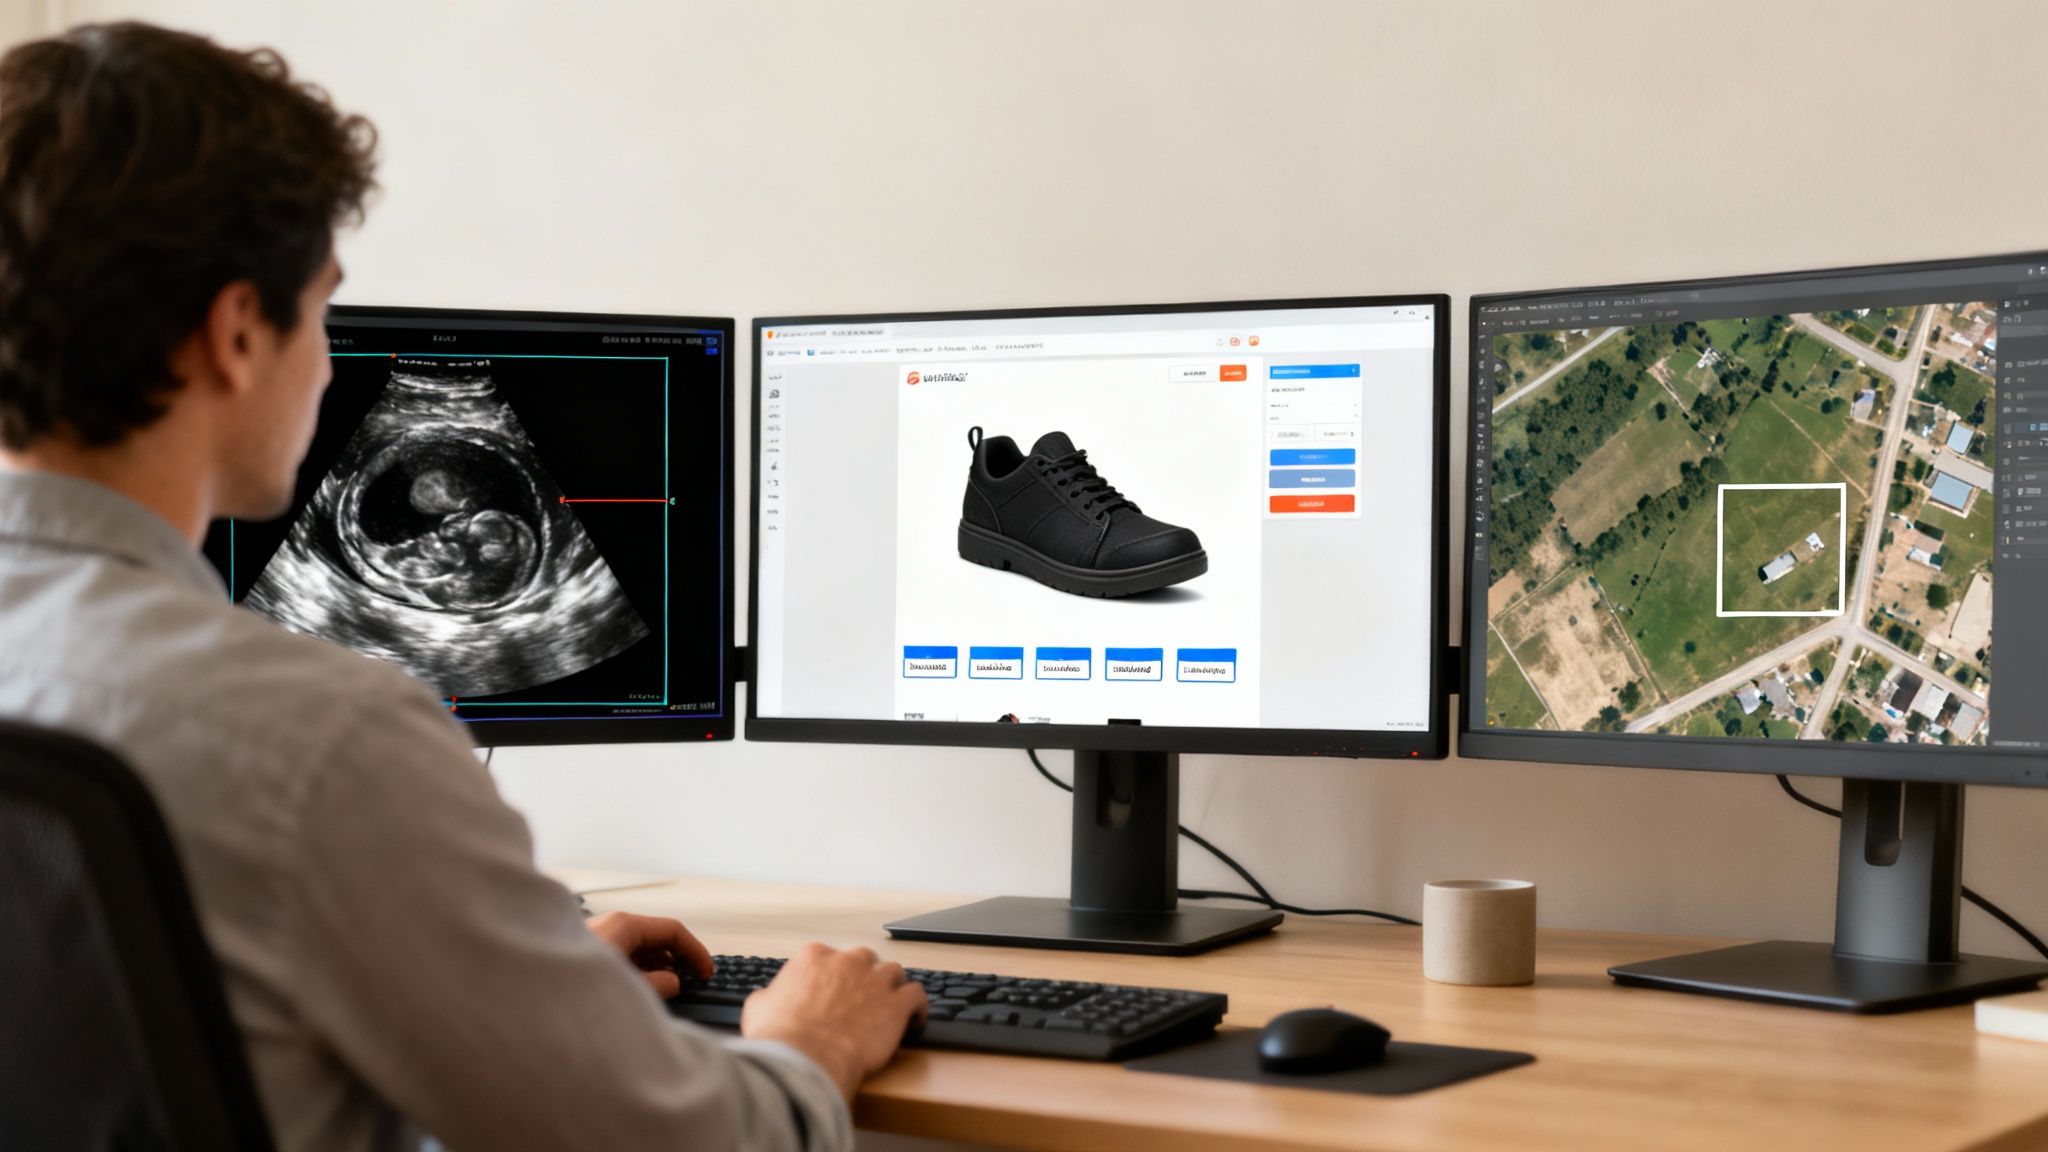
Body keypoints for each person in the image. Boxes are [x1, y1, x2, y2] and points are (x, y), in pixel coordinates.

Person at [0, 22, 923, 1152]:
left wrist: (520, 995)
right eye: (324, 308)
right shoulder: (324, 736)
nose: (331, 362)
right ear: (238, 330)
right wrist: (811, 1040)